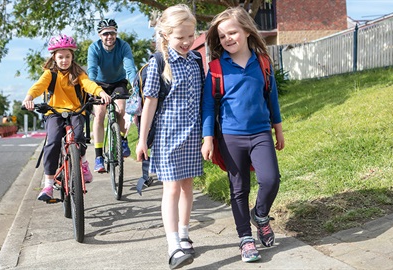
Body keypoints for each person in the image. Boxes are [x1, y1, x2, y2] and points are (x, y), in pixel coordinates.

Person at [201, 7, 285, 263]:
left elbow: (271, 97)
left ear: (247, 30)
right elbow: (208, 106)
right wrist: (208, 138)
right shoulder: (216, 67)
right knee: (239, 189)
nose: (227, 39)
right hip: (230, 136)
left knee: (271, 180)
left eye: (232, 32)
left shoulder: (263, 62)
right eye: (222, 36)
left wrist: (278, 129)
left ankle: (260, 215)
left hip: (260, 133)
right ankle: (245, 239)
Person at [135, 4, 203, 269]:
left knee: (188, 186)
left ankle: (185, 235)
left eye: (190, 36)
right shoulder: (159, 63)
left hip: (191, 135)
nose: (186, 42)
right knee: (172, 188)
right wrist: (142, 140)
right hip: (166, 136)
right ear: (165, 36)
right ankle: (173, 244)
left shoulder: (196, 61)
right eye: (180, 37)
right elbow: (149, 104)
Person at [22, 34, 111, 201]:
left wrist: (101, 93)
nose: (64, 60)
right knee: (53, 142)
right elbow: (39, 86)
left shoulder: (78, 73)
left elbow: (89, 84)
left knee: (79, 137)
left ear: (72, 57)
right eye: (60, 57)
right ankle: (48, 183)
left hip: (76, 111)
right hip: (54, 113)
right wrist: (29, 97)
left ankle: (83, 163)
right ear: (54, 57)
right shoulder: (50, 74)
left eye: (67, 56)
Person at [87, 18, 137, 172]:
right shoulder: (94, 48)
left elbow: (130, 68)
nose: (109, 37)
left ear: (116, 33)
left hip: (118, 83)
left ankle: (122, 140)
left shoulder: (123, 46)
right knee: (100, 115)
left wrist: (135, 85)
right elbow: (92, 70)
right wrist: (92, 88)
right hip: (99, 84)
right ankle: (99, 157)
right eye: (105, 34)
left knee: (121, 109)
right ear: (100, 35)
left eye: (112, 33)